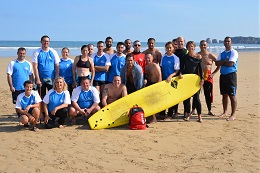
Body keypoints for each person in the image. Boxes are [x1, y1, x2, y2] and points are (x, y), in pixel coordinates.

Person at [192, 40, 220, 116]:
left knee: (208, 94)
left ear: (207, 46)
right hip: (198, 76)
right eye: (201, 45)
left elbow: (219, 64)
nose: (203, 46)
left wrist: (213, 73)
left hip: (208, 76)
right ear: (199, 46)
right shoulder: (197, 55)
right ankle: (193, 110)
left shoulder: (210, 55)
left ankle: (209, 110)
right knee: (196, 93)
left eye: (204, 45)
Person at [179, 41, 204, 123]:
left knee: (196, 98)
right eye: (189, 46)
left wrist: (202, 79)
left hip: (195, 80)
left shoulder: (198, 57)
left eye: (192, 46)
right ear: (187, 48)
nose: (191, 48)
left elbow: (201, 69)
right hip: (186, 80)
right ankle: (188, 114)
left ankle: (199, 116)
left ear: (194, 47)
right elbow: (181, 69)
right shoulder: (184, 57)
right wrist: (180, 74)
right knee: (186, 99)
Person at [6, 47, 34, 118]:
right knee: (17, 103)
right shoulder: (12, 63)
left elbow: (31, 75)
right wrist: (11, 86)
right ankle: (20, 117)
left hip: (26, 88)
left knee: (25, 102)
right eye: (20, 53)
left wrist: (32, 85)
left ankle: (25, 116)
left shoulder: (28, 63)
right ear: (17, 53)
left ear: (25, 54)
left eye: (23, 53)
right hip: (16, 88)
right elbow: (9, 75)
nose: (22, 55)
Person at [215, 37, 238, 121]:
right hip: (223, 76)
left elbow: (231, 64)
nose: (227, 42)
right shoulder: (222, 53)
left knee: (232, 95)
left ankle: (233, 114)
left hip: (231, 76)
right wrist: (225, 61)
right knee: (224, 95)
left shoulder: (234, 52)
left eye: (228, 41)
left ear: (231, 42)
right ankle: (225, 112)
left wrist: (223, 62)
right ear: (224, 43)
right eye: (225, 41)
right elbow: (217, 63)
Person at [160, 42, 180, 119]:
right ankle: (162, 113)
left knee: (171, 97)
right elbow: (161, 68)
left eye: (170, 48)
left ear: (173, 48)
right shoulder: (163, 57)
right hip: (163, 80)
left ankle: (170, 114)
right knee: (163, 97)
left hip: (172, 80)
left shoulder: (175, 58)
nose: (169, 49)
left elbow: (176, 70)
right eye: (167, 47)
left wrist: (170, 76)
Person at [173, 36, 189, 117]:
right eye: (178, 41)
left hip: (184, 76)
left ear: (184, 41)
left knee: (185, 95)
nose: (180, 43)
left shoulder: (186, 52)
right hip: (176, 75)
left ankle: (186, 112)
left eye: (181, 41)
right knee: (176, 95)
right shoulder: (174, 52)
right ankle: (175, 111)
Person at [144, 53, 162, 123]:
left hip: (156, 85)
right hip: (150, 85)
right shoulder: (146, 67)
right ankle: (152, 117)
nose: (147, 59)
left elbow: (160, 77)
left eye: (149, 58)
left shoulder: (155, 66)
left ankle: (154, 118)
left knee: (152, 102)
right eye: (146, 58)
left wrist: (157, 88)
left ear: (152, 58)